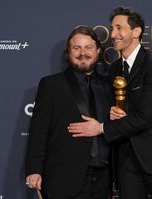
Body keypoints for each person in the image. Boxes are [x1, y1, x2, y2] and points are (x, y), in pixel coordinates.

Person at [68, 7, 152, 199]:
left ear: (136, 32)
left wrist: (102, 128)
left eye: (119, 28)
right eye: (112, 29)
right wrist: (114, 112)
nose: (113, 34)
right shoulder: (115, 68)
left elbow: (146, 116)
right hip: (126, 158)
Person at [25, 26, 113, 199]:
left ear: (97, 51)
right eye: (76, 48)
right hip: (64, 178)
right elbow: (39, 131)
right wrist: (34, 170)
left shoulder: (109, 86)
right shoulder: (52, 85)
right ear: (68, 52)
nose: (82, 53)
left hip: (103, 178)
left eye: (88, 47)